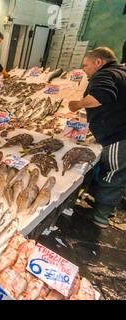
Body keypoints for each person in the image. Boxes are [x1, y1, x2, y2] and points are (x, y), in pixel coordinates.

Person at [68, 47, 126, 228]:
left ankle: (100, 217)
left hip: (118, 135)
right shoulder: (121, 71)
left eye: (86, 65)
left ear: (98, 62)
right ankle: (102, 205)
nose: (84, 69)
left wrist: (77, 104)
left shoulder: (104, 75)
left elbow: (101, 96)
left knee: (114, 175)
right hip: (119, 129)